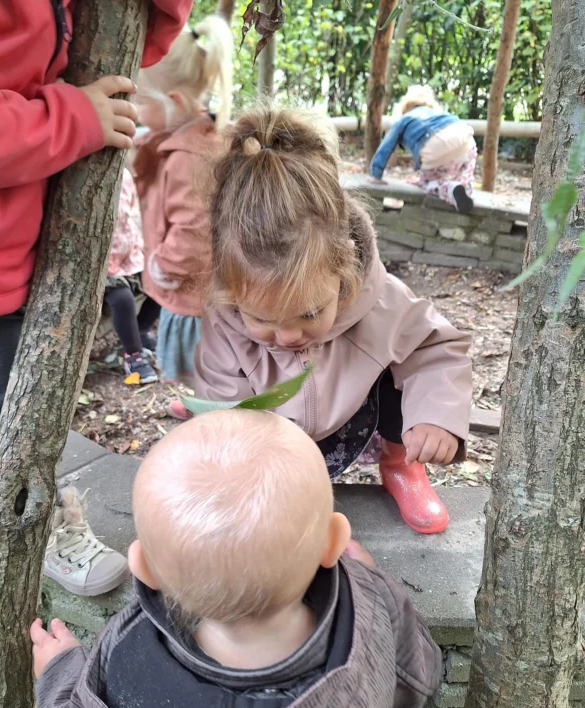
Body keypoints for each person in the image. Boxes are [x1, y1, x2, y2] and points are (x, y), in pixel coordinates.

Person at [31, 409, 442, 708]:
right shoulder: (367, 601)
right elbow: (419, 676)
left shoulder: (127, 666)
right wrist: (367, 582)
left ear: (144, 569)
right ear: (334, 542)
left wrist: (59, 671)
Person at [0, 0, 192, 596]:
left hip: (13, 242)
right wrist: (67, 122)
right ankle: (41, 524)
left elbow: (113, 42)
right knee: (6, 412)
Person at [194, 107, 473, 535]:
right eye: (262, 319)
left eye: (309, 313)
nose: (287, 336)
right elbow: (221, 407)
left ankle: (401, 466)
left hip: (359, 409)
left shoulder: (379, 300)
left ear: (343, 272)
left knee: (398, 366)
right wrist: (228, 444)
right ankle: (298, 487)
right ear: (232, 292)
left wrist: (436, 415)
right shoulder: (223, 325)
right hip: (284, 440)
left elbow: (437, 348)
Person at [133, 14, 232, 405]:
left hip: (192, 293)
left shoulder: (188, 157)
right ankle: (201, 400)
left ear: (173, 103)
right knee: (209, 362)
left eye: (140, 103)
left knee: (206, 360)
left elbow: (194, 224)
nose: (137, 113)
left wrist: (164, 265)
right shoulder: (194, 141)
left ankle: (210, 409)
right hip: (199, 291)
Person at [369, 85, 477, 213]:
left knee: (427, 184)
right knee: (465, 173)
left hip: (438, 149)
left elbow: (386, 146)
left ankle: (449, 189)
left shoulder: (404, 119)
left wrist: (376, 174)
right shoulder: (438, 113)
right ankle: (466, 186)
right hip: (467, 141)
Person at [104, 168, 158, 385]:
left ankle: (140, 330)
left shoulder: (123, 174)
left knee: (161, 283)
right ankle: (133, 355)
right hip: (104, 267)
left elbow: (129, 217)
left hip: (129, 256)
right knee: (122, 297)